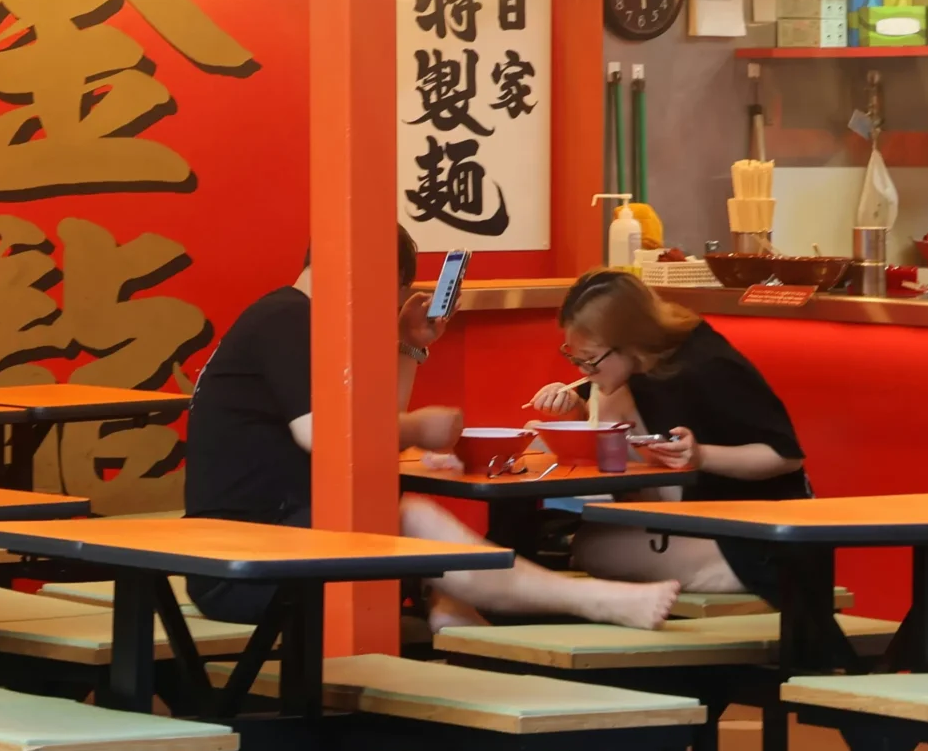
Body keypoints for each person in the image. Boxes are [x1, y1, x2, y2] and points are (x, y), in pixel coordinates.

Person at [185, 226, 681, 633]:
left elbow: (368, 432)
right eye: (396, 294)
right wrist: (418, 429)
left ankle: (457, 615)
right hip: (242, 567)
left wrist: (410, 345)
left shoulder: (291, 317)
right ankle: (589, 601)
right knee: (409, 516)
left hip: (272, 548)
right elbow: (327, 436)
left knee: (413, 540)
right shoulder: (290, 320)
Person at [499, 268, 812, 751]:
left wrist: (702, 453)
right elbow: (617, 426)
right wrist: (581, 400)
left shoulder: (707, 366)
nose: (583, 370)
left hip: (758, 544)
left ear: (630, 342)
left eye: (590, 360)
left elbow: (784, 456)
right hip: (690, 530)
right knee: (584, 556)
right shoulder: (642, 368)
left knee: (587, 554)